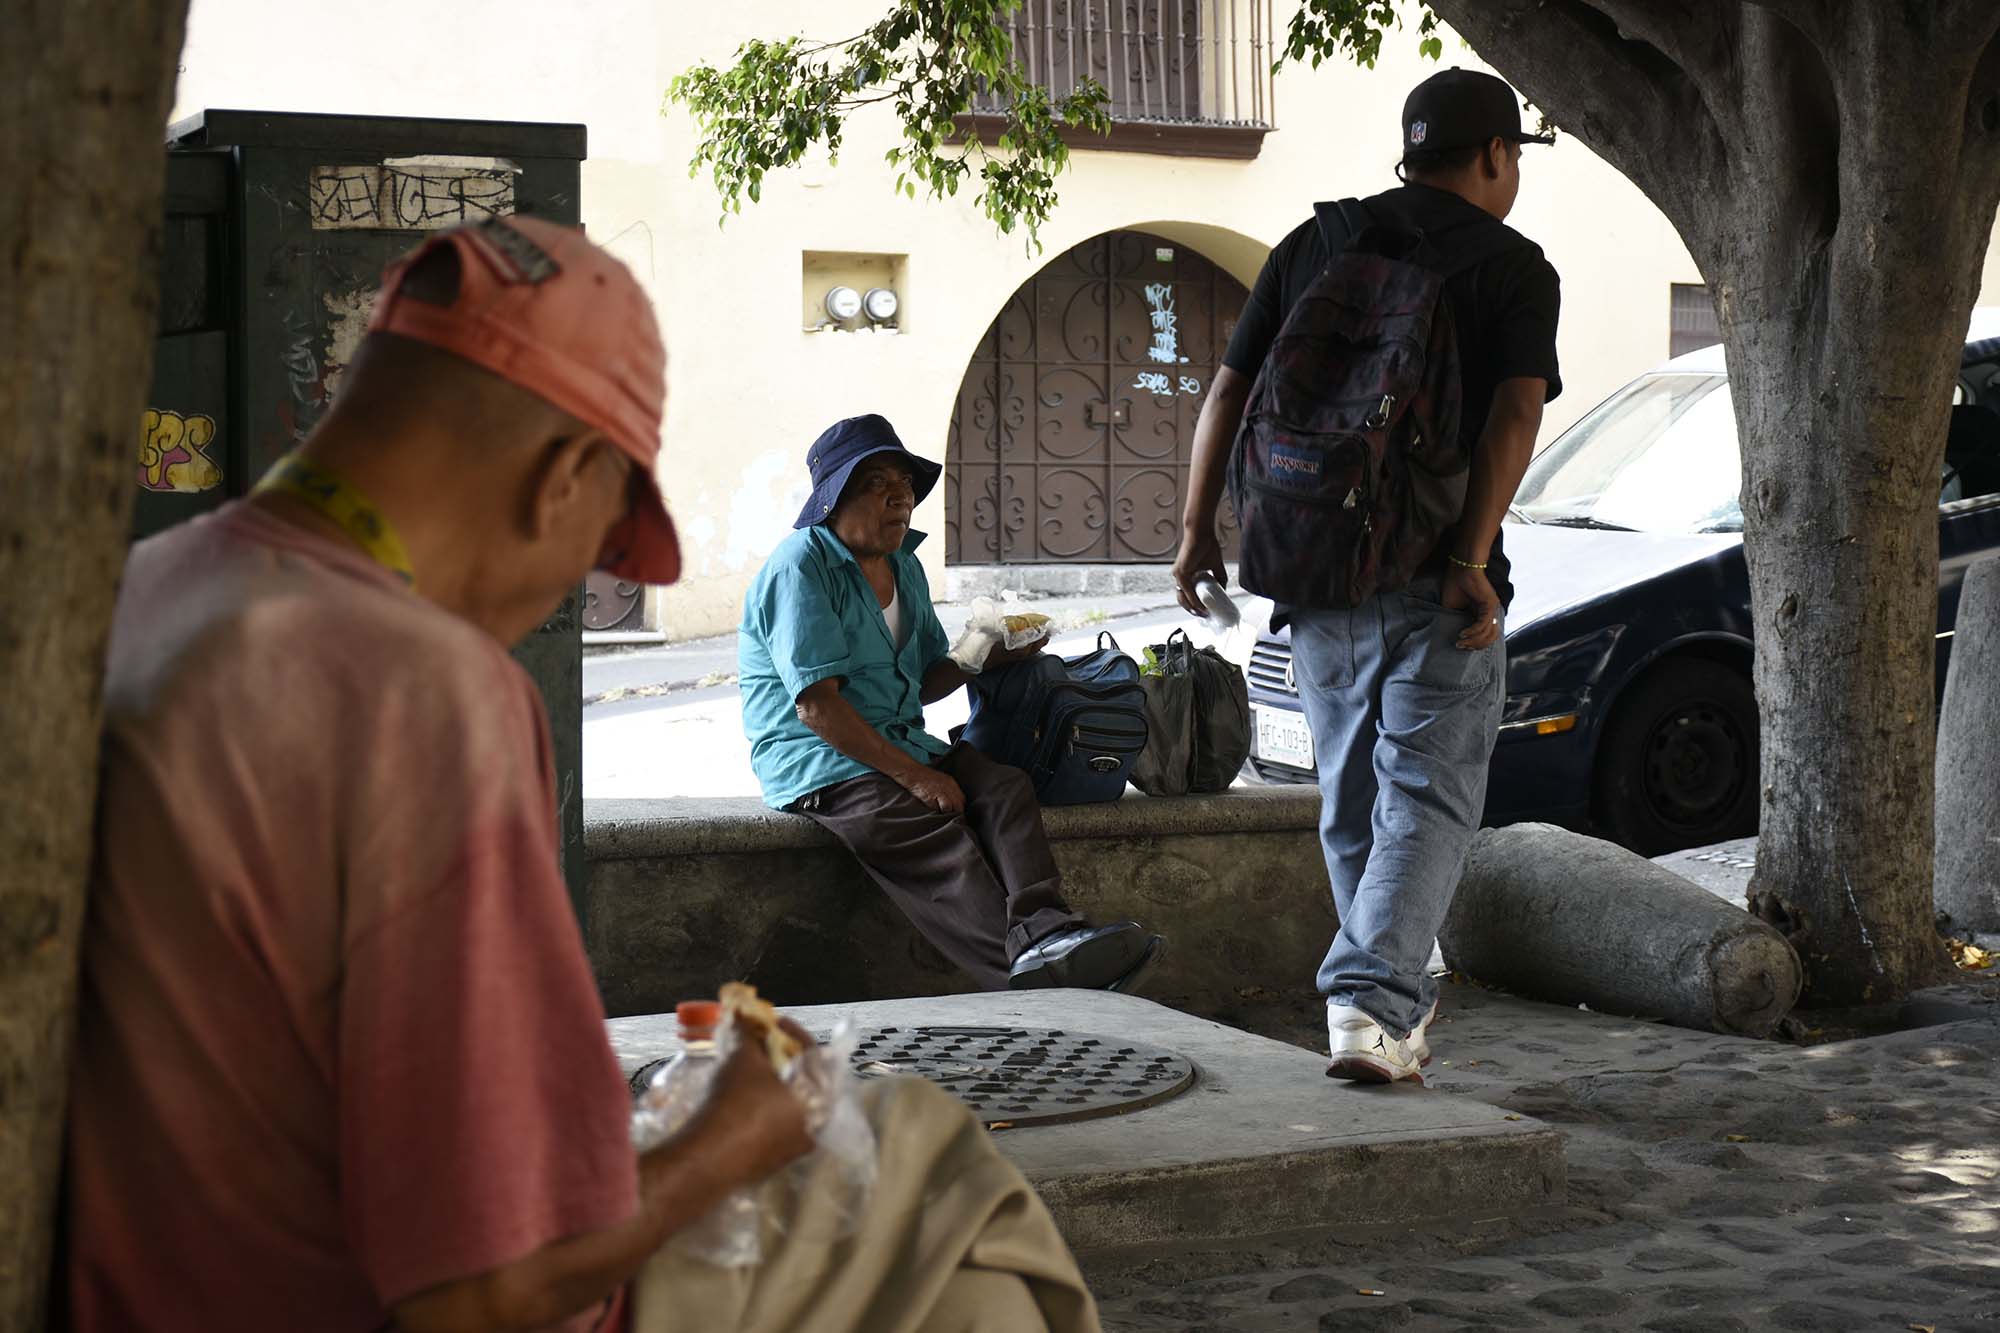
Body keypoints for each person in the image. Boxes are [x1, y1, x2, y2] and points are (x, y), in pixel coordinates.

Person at [68, 216, 1100, 1333]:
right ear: (563, 478)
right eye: (598, 552)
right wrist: (730, 1140)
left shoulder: (130, 597)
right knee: (934, 1166)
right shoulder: (427, 690)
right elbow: (492, 1287)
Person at [1173, 68, 1563, 1084]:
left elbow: (1227, 390)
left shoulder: (1316, 242)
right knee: (1426, 801)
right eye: (1511, 156)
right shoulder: (1513, 266)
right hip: (1437, 580)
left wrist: (1193, 532)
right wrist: (1472, 559)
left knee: (1350, 802)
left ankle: (1378, 1012)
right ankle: (1370, 1003)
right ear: (1492, 155)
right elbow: (1512, 420)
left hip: (1314, 571)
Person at [739, 415, 1160, 992]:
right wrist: (914, 777)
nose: (899, 500)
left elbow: (925, 681)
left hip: (898, 742)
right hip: (818, 758)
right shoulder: (801, 565)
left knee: (1004, 788)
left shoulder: (904, 566)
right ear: (833, 499)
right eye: (877, 485)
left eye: (905, 487)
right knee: (929, 830)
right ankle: (1023, 972)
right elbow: (817, 708)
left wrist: (988, 656)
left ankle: (1045, 930)